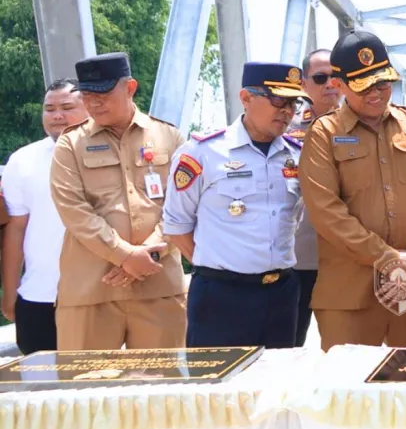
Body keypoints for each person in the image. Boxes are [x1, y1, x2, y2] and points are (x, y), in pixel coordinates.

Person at [298, 30, 406, 350]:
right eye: (363, 86)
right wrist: (388, 258)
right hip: (349, 293)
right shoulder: (324, 134)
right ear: (338, 84)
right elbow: (326, 212)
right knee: (347, 380)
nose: (376, 93)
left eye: (382, 83)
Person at [163, 62, 307, 348]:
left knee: (278, 376)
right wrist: (220, 267)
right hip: (221, 297)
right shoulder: (203, 152)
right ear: (246, 97)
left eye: (294, 102)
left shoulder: (297, 155)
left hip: (281, 294)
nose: (287, 111)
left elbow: (296, 217)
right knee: (218, 377)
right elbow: (176, 225)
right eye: (278, 100)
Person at [50, 52, 187, 350]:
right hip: (90, 290)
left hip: (158, 286)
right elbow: (73, 211)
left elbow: (184, 205)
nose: (94, 103)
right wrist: (124, 255)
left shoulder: (170, 137)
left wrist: (151, 254)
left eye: (102, 94)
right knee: (86, 379)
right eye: (87, 95)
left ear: (130, 88)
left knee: (160, 379)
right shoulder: (70, 144)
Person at [1, 79, 89, 354]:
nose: (57, 116)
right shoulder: (22, 160)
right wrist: (10, 291)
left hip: (100, 299)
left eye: (67, 107)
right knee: (40, 380)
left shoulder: (110, 154)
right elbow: (16, 228)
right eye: (49, 109)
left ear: (89, 107)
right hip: (39, 296)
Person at [286, 48, 342, 346]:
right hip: (300, 256)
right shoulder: (284, 127)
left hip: (346, 256)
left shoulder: (364, 124)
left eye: (336, 76)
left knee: (344, 347)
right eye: (320, 78)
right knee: (290, 344)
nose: (330, 84)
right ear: (303, 84)